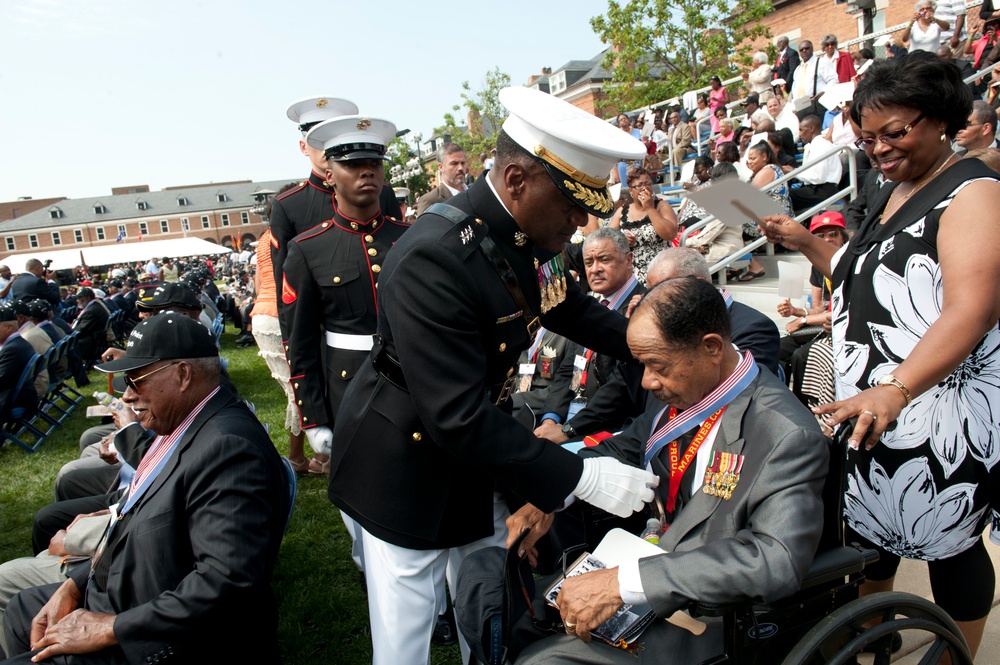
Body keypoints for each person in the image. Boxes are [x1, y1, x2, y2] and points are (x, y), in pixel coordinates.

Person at [328, 86, 659, 665]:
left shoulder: (532, 235)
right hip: (403, 464)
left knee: (484, 610)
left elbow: (568, 307)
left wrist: (654, 347)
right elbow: (453, 413)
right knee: (406, 636)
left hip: (476, 453)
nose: (580, 222)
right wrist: (579, 477)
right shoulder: (434, 255)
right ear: (515, 181)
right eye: (571, 203)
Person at [757, 52, 1000, 659]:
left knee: (950, 544)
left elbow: (972, 308)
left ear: (941, 118)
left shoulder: (973, 192)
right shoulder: (891, 191)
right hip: (873, 410)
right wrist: (805, 243)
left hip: (937, 408)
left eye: (895, 133)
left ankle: (954, 654)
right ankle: (874, 639)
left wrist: (897, 388)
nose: (879, 150)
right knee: (871, 536)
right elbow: (867, 280)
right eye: (867, 138)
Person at [507, 277, 828, 664]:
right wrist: (555, 492)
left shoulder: (785, 433)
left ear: (711, 347)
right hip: (654, 577)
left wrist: (623, 583)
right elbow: (617, 450)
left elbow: (774, 561)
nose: (646, 381)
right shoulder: (687, 395)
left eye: (657, 365)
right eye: (642, 365)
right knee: (512, 614)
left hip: (718, 617)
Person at [1, 313, 289, 665]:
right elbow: (131, 521)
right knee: (21, 610)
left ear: (183, 375)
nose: (127, 395)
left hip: (160, 637)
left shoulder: (227, 448)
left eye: (136, 380)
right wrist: (75, 584)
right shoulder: (188, 425)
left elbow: (226, 582)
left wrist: (111, 627)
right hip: (133, 594)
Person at [270, 96, 401, 340]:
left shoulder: (382, 192)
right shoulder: (289, 205)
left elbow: (394, 245)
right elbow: (287, 292)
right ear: (304, 145)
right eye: (317, 135)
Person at [533, 228, 646, 443]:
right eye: (588, 262)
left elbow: (620, 385)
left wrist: (568, 430)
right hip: (572, 422)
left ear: (629, 260)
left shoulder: (643, 307)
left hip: (612, 430)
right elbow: (567, 370)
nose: (595, 269)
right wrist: (550, 419)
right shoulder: (589, 307)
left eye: (604, 260)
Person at [776, 212, 847, 402]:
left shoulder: (851, 262)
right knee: (778, 347)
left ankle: (802, 408)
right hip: (822, 322)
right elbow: (819, 309)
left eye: (833, 234)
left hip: (837, 328)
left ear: (843, 237)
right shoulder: (817, 266)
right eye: (821, 236)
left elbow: (837, 313)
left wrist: (803, 319)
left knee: (801, 356)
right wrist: (795, 311)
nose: (828, 239)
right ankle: (778, 400)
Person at [608, 166, 678, 282]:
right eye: (639, 185)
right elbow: (609, 239)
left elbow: (670, 234)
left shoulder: (661, 206)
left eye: (648, 184)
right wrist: (622, 239)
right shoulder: (623, 211)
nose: (644, 188)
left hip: (660, 270)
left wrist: (650, 208)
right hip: (632, 274)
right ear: (630, 191)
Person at [739, 142, 792, 281]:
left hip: (773, 217)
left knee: (730, 226)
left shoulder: (768, 170)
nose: (749, 162)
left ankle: (753, 266)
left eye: (753, 158)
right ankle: (739, 265)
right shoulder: (766, 171)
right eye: (748, 159)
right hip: (766, 214)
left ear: (764, 156)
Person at [789, 115, 842, 214]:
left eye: (801, 130)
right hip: (817, 189)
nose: (799, 134)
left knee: (783, 196)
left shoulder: (821, 146)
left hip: (822, 190)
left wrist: (793, 172)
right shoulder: (815, 145)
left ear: (811, 128)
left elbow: (817, 177)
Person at [0, 305, 38, 424]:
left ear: (9, 327)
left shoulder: (12, 349)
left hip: (10, 401)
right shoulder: (19, 344)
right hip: (18, 397)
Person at [415, 143, 469, 214]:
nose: (460, 168)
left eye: (463, 163)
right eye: (454, 163)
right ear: (441, 167)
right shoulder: (430, 200)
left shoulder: (474, 192)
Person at [790, 41, 838, 120]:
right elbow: (794, 90)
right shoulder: (798, 69)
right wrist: (794, 107)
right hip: (801, 107)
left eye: (807, 48)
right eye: (801, 50)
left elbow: (834, 79)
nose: (804, 51)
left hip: (817, 105)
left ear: (812, 49)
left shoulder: (821, 62)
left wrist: (824, 92)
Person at [70, 288, 108, 369]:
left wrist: (69, 330)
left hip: (91, 343)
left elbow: (80, 331)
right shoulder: (94, 306)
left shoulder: (92, 310)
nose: (77, 300)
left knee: (67, 343)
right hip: (95, 339)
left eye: (79, 298)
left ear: (87, 298)